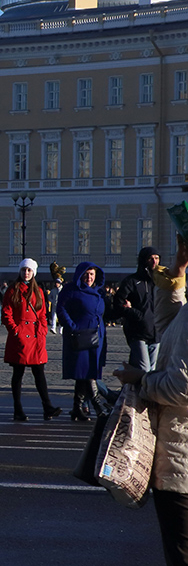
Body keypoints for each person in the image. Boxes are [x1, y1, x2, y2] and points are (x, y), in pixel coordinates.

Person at [115, 234, 188, 565]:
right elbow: (168, 325)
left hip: (182, 465)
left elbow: (182, 387)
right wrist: (177, 273)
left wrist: (140, 379)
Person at [2, 259, 62, 421]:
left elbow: (42, 312)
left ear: (33, 273)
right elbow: (6, 313)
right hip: (20, 337)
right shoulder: (13, 290)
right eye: (24, 270)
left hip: (35, 337)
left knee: (39, 373)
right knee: (18, 373)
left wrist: (43, 330)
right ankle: (18, 409)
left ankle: (47, 407)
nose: (26, 273)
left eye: (29, 270)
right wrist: (16, 331)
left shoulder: (39, 291)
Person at [57, 261, 107, 421]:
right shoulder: (71, 289)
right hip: (80, 336)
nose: (89, 277)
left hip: (96, 336)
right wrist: (72, 326)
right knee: (87, 372)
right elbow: (61, 308)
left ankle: (77, 408)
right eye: (86, 274)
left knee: (85, 373)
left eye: (92, 274)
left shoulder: (98, 292)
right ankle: (98, 406)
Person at [116, 246, 160, 372]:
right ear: (143, 260)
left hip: (156, 333)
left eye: (156, 258)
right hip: (138, 332)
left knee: (152, 371)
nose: (154, 261)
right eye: (150, 258)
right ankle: (128, 383)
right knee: (144, 369)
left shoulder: (160, 282)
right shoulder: (132, 281)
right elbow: (118, 302)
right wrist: (136, 314)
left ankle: (140, 391)